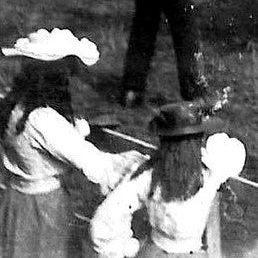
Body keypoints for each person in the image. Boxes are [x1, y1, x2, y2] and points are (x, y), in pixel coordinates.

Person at [0, 28, 141, 258]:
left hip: (16, 200)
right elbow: (92, 162)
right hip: (43, 208)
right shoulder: (43, 120)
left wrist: (79, 130)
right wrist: (138, 164)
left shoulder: (14, 108)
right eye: (64, 76)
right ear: (53, 78)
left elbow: (47, 141)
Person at [90, 102, 246, 258]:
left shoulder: (149, 175)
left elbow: (105, 220)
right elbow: (233, 156)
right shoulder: (212, 173)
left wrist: (124, 248)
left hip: (157, 251)